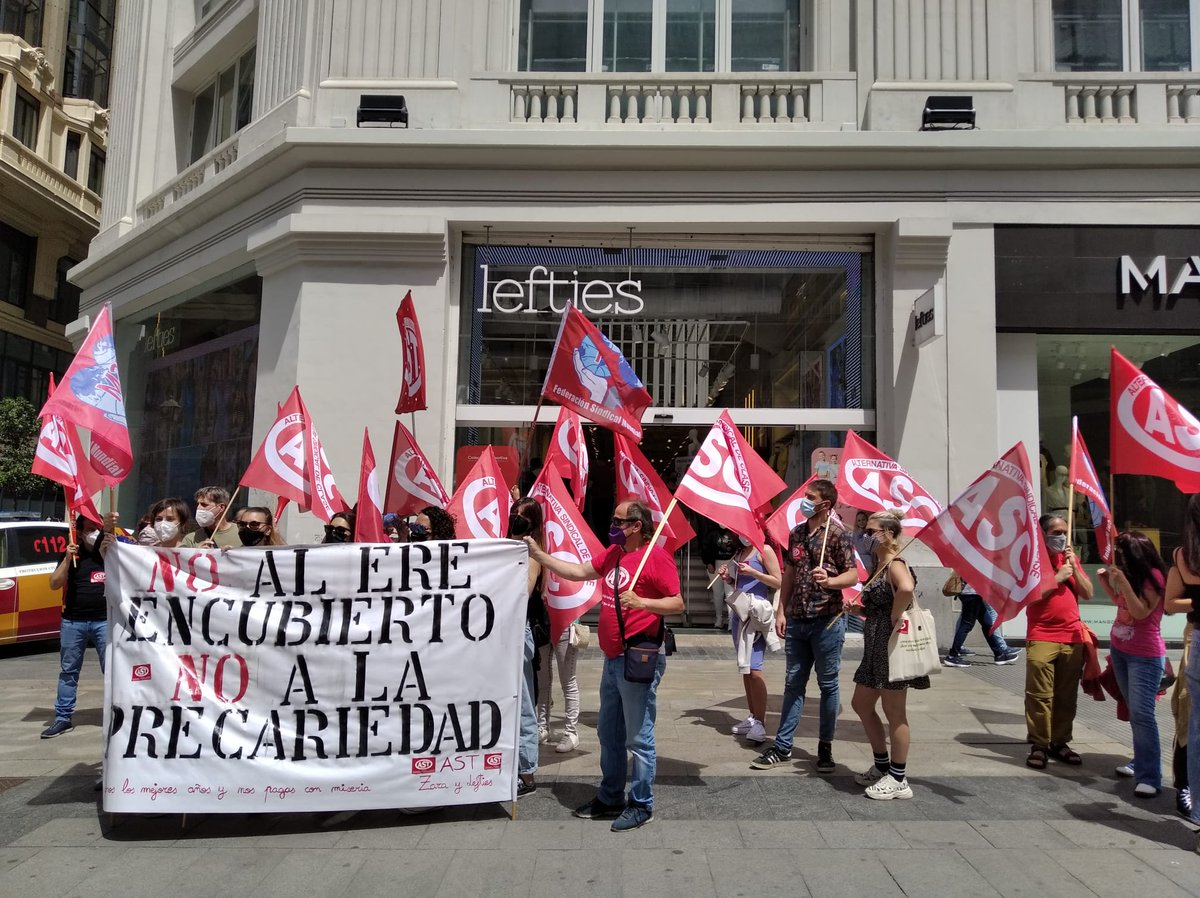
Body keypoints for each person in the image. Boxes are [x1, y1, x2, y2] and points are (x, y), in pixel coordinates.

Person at [524, 500, 683, 832]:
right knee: (608, 733)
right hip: (613, 659)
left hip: (638, 658)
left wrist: (643, 603)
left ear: (636, 525)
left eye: (617, 520)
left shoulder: (655, 557)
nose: (612, 524)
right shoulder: (616, 554)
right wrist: (538, 555)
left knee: (638, 737)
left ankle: (642, 804)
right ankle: (611, 797)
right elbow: (580, 571)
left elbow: (677, 603)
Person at [751, 479, 858, 773]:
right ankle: (783, 746)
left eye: (810, 497)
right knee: (793, 683)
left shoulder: (837, 534)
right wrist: (782, 610)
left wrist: (831, 581)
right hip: (798, 620)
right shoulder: (797, 534)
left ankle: (825, 747)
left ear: (825, 504)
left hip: (827, 621)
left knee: (828, 685)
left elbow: (852, 575)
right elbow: (789, 574)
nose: (804, 501)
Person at [850, 509, 929, 799]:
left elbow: (906, 588)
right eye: (865, 530)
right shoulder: (878, 563)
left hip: (891, 646)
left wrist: (895, 616)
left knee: (895, 712)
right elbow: (879, 604)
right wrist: (860, 610)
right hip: (876, 646)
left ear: (890, 534)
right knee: (861, 703)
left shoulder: (895, 562)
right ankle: (882, 764)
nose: (866, 535)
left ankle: (898, 778)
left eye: (872, 531)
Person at [1097, 531, 1167, 797]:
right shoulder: (1133, 577)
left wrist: (1123, 581)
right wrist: (1107, 582)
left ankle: (1150, 776)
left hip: (1144, 656)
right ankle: (1140, 761)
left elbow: (1139, 613)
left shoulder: (1154, 578)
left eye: (1121, 553)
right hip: (1121, 651)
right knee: (1133, 711)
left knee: (1143, 714)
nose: (1117, 557)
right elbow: (1121, 603)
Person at [1024, 514, 1093, 770]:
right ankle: (1039, 744)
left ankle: (1060, 742)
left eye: (1064, 532)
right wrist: (1058, 578)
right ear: (1042, 534)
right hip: (1042, 635)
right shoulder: (1032, 560)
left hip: (1072, 636)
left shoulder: (1069, 559)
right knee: (1039, 695)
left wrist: (1074, 568)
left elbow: (1088, 592)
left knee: (1066, 696)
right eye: (1055, 533)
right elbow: (1029, 597)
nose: (1061, 537)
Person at [41, 513, 114, 738]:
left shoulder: (110, 552)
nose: (93, 532)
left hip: (105, 620)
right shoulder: (73, 554)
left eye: (97, 527)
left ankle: (115, 716)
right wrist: (66, 558)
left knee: (112, 671)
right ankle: (62, 717)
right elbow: (54, 584)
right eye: (89, 528)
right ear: (79, 532)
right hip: (74, 621)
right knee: (69, 671)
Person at [720, 529, 782, 745]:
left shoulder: (763, 550)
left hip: (756, 615)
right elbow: (739, 583)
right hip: (739, 613)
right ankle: (753, 715)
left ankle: (760, 722)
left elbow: (777, 581)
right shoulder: (740, 552)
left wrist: (754, 573)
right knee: (745, 668)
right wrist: (728, 578)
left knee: (755, 669)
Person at [1165, 494, 1200, 831]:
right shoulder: (1184, 555)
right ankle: (1185, 785)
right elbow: (1170, 604)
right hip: (1197, 636)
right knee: (1190, 717)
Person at [508, 498, 544, 797]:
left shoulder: (534, 552)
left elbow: (526, 589)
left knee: (523, 701)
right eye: (513, 515)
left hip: (520, 630)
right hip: (499, 630)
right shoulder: (504, 546)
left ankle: (527, 772)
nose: (517, 521)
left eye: (523, 517)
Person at [941, 572, 1021, 667]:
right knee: (966, 625)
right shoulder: (972, 559)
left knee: (987, 623)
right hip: (971, 594)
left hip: (975, 594)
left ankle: (999, 654)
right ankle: (953, 656)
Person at [538, 619, 582, 753]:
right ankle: (542, 727)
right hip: (541, 622)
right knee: (542, 682)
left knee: (568, 682)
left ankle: (571, 732)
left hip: (565, 624)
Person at [701, 525, 737, 630]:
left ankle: (731, 621)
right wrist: (708, 562)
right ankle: (719, 619)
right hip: (715, 563)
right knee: (717, 593)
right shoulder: (711, 532)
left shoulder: (734, 532)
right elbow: (705, 547)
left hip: (731, 562)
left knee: (730, 593)